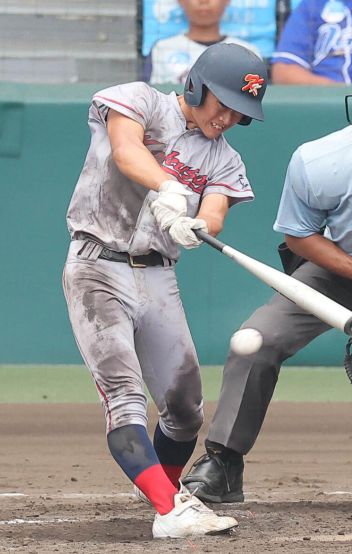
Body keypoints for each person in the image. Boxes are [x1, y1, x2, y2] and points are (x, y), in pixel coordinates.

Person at [181, 58, 352, 504]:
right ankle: (222, 463)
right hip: (338, 273)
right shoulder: (319, 159)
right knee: (256, 340)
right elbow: (299, 237)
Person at [62, 43, 267, 538]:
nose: (228, 118)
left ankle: (161, 492)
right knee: (124, 395)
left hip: (157, 276)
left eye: (240, 112)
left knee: (184, 409)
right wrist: (169, 188)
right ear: (197, 85)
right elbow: (127, 150)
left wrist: (196, 224)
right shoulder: (139, 100)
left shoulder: (226, 159)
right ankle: (171, 511)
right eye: (223, 104)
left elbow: (215, 210)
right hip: (96, 266)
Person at [147, 0, 261, 84]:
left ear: (227, 1)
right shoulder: (162, 49)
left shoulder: (248, 52)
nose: (204, 1)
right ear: (180, 2)